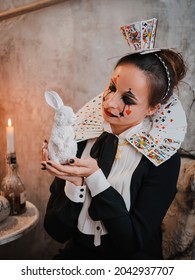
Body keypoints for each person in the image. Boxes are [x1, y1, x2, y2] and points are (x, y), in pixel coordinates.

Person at [42, 48, 187, 260]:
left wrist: (95, 178)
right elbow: (55, 231)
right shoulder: (80, 138)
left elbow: (131, 244)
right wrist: (75, 185)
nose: (110, 102)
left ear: (152, 109)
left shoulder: (162, 160)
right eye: (111, 88)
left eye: (127, 99)